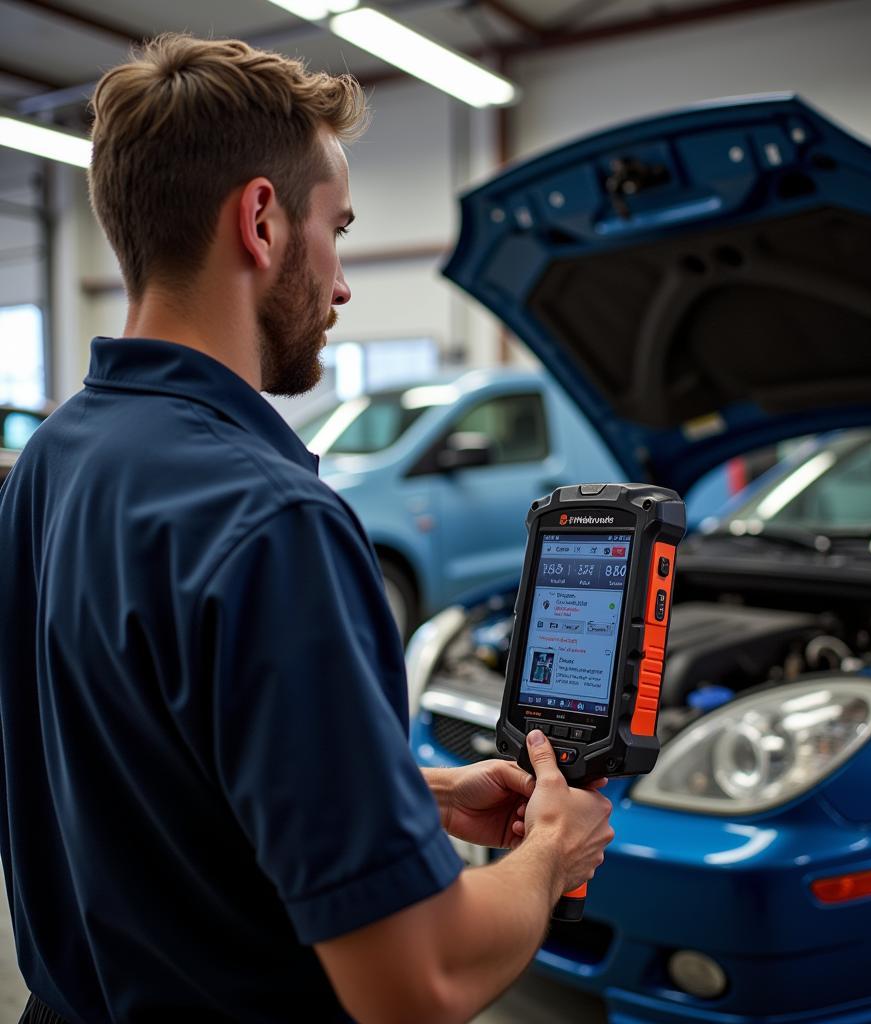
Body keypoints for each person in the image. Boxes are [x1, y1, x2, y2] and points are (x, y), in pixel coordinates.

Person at [0, 34, 614, 1024]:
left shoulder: (53, 461)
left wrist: (416, 791)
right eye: (337, 226)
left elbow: (141, 765)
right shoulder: (272, 521)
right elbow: (417, 980)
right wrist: (552, 852)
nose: (340, 285)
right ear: (261, 221)